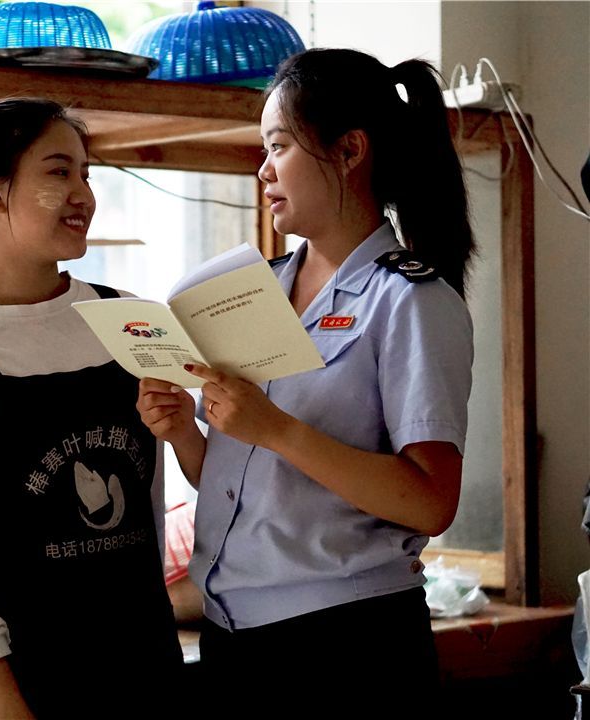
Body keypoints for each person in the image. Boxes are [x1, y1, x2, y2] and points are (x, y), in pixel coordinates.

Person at [137, 48, 475, 715]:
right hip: (234, 636)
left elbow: (431, 501)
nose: (263, 170)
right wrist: (184, 436)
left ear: (350, 151)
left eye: (279, 146)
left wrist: (275, 428)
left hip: (346, 644)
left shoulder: (409, 300)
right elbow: (257, 484)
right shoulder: (251, 292)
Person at [0, 97, 182, 720]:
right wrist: (5, 708)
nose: (83, 195)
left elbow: (177, 491)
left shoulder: (131, 318)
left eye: (86, 174)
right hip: (14, 689)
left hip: (140, 667)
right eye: (58, 172)